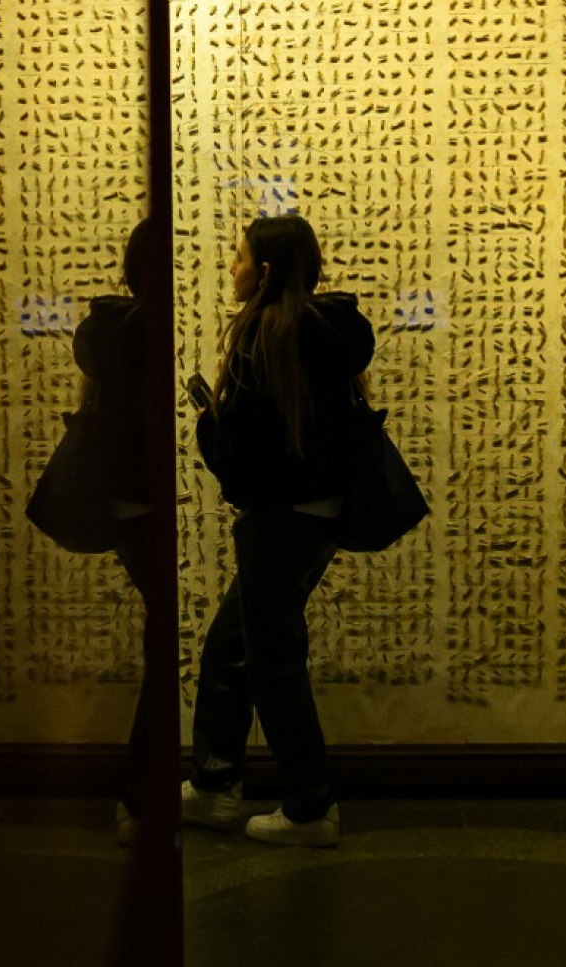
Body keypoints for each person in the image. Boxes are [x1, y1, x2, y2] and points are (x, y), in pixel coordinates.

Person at [183, 214, 375, 847]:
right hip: (319, 518)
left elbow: (241, 458)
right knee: (232, 648)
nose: (231, 268)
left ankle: (310, 806)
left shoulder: (264, 334)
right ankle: (214, 783)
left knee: (273, 664)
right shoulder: (331, 332)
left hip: (276, 522)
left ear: (263, 272)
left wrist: (209, 420)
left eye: (239, 258)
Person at [69, 218, 170, 846]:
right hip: (145, 505)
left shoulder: (111, 331)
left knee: (165, 647)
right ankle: (140, 796)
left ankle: (145, 794)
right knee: (164, 654)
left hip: (128, 505)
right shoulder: (142, 331)